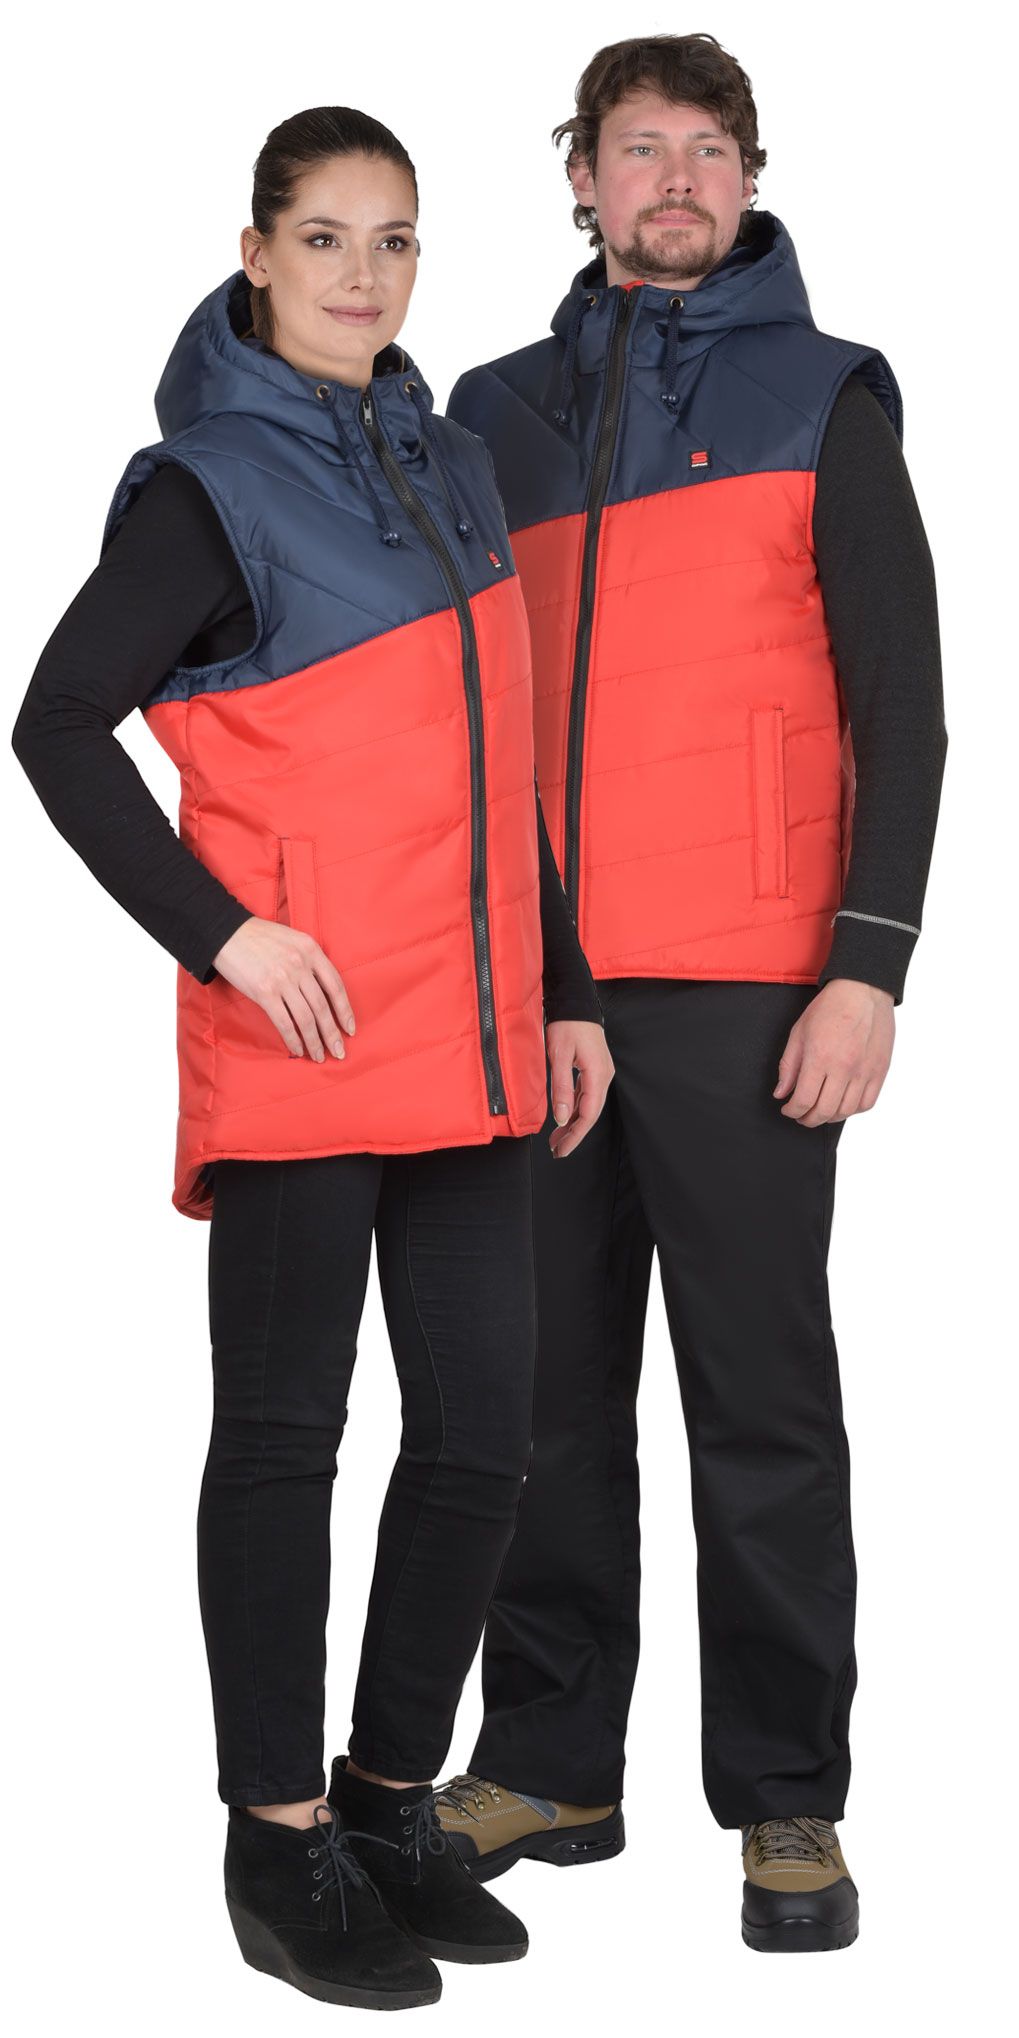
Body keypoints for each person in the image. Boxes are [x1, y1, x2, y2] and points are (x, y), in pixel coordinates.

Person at [11, 104, 614, 2011]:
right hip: (307, 1036)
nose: (365, 275)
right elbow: (56, 726)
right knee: (288, 1438)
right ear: (256, 252)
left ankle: (384, 1800)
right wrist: (225, 933)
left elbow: (504, 763)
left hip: (476, 1030)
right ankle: (274, 1840)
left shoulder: (454, 466)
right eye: (329, 237)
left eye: (397, 240)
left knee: (481, 1432)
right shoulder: (203, 488)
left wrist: (570, 987)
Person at [435, 34, 948, 1953]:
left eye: (708, 147)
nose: (675, 176)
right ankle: (553, 1757)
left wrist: (866, 966)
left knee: (761, 1403)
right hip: (536, 992)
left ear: (750, 174)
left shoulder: (826, 395)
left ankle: (789, 1794)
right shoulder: (489, 413)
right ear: (578, 173)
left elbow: (905, 705)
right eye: (638, 145)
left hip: (751, 993)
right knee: (539, 1399)